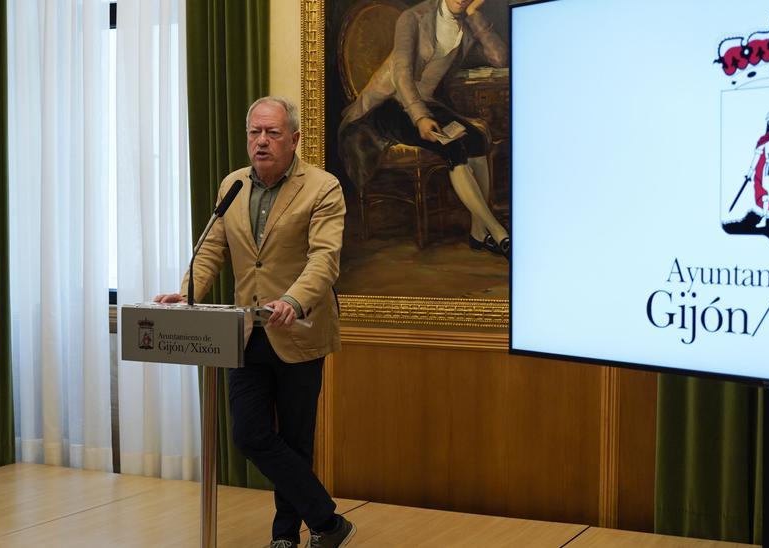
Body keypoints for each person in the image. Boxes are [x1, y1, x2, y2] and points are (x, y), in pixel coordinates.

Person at [154, 97, 353, 548]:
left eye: (272, 133)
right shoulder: (234, 185)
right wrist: (187, 291)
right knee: (249, 433)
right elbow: (211, 250)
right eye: (254, 133)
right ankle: (327, 521)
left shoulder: (322, 187)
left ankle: (285, 536)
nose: (261, 142)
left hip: (298, 330)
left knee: (295, 439)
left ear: (294, 139)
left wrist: (293, 300)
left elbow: (325, 259)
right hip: (244, 332)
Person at [338, 0, 510, 259]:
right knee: (451, 145)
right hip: (389, 105)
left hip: (425, 103)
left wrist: (475, 16)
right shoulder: (413, 18)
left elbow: (500, 58)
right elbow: (402, 74)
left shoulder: (468, 20)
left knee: (474, 139)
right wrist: (419, 118)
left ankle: (478, 233)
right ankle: (498, 232)